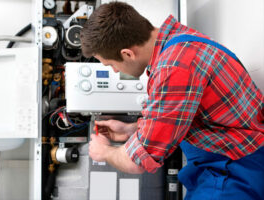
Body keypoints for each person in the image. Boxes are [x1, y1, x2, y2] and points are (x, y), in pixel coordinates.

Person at [80, 2, 264, 199]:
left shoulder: (174, 68)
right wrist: (130, 130)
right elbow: (177, 118)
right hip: (224, 163)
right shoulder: (179, 41)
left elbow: (137, 162)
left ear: (127, 54)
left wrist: (104, 151)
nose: (115, 71)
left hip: (232, 172)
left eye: (111, 65)